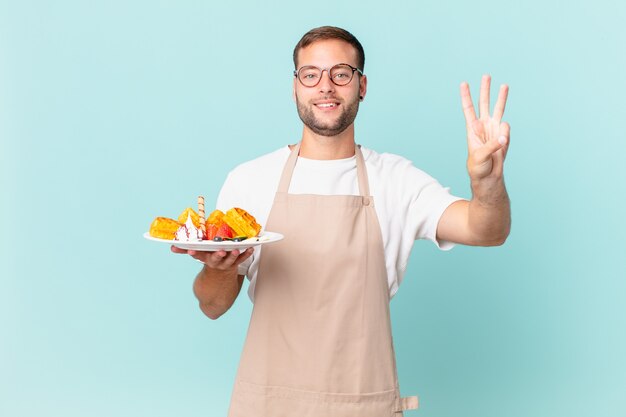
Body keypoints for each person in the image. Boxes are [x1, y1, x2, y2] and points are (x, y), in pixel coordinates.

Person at [172, 26, 511, 417]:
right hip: (268, 404)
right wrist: (217, 268)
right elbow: (212, 305)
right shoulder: (249, 180)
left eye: (341, 73)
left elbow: (487, 231)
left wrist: (486, 183)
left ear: (361, 85)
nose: (325, 86)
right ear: (296, 87)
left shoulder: (396, 179)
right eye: (311, 74)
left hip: (361, 403)